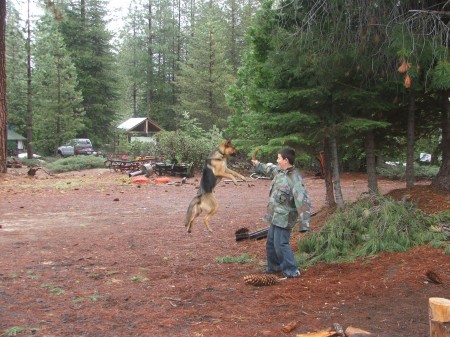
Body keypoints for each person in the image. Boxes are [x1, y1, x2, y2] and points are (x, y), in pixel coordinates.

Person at [251, 148, 311, 278]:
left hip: (286, 217)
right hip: (275, 215)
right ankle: (274, 267)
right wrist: (257, 164)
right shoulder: (279, 171)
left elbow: (304, 202)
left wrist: (304, 224)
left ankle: (291, 270)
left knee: (281, 244)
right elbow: (269, 168)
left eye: (279, 158)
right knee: (271, 243)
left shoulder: (294, 178)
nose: (277, 161)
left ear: (286, 160)